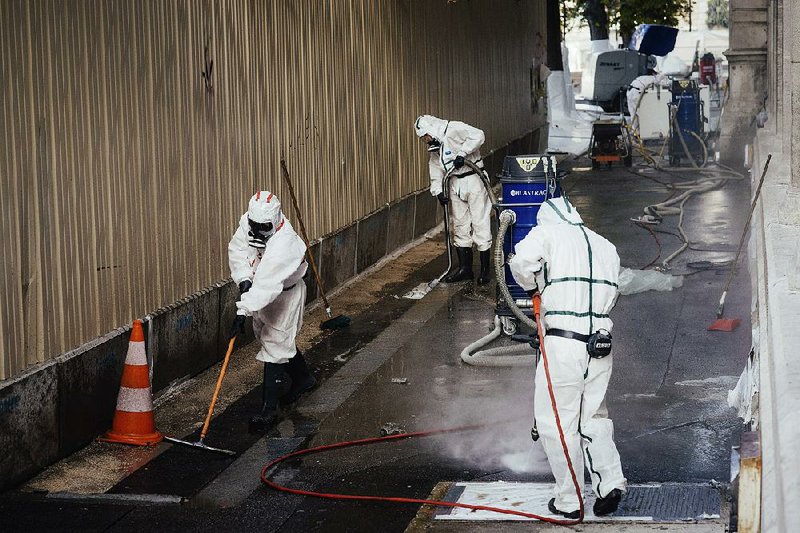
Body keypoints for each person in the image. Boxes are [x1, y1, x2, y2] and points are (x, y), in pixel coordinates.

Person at [508, 196, 626, 518]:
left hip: (563, 344)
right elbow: (613, 293)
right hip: (600, 345)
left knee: (557, 424)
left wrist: (534, 283)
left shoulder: (547, 234)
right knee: (594, 418)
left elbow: (521, 264)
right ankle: (610, 483)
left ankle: (570, 501)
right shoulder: (605, 246)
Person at [228, 190, 316, 433]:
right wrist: (244, 279)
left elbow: (268, 282)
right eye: (254, 225)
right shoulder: (247, 222)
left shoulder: (284, 243)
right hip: (261, 290)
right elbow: (238, 250)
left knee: (275, 344)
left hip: (285, 294)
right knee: (272, 338)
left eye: (262, 226)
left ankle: (269, 410)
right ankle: (303, 379)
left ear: (275, 220)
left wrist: (242, 310)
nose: (256, 231)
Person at [414, 115, 492, 285]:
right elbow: (435, 168)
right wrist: (438, 191)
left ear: (430, 130)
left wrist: (462, 153)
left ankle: (486, 270)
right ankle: (466, 269)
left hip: (474, 179)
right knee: (460, 224)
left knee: (480, 223)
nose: (425, 141)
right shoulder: (436, 147)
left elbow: (479, 135)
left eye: (425, 137)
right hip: (454, 183)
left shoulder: (454, 129)